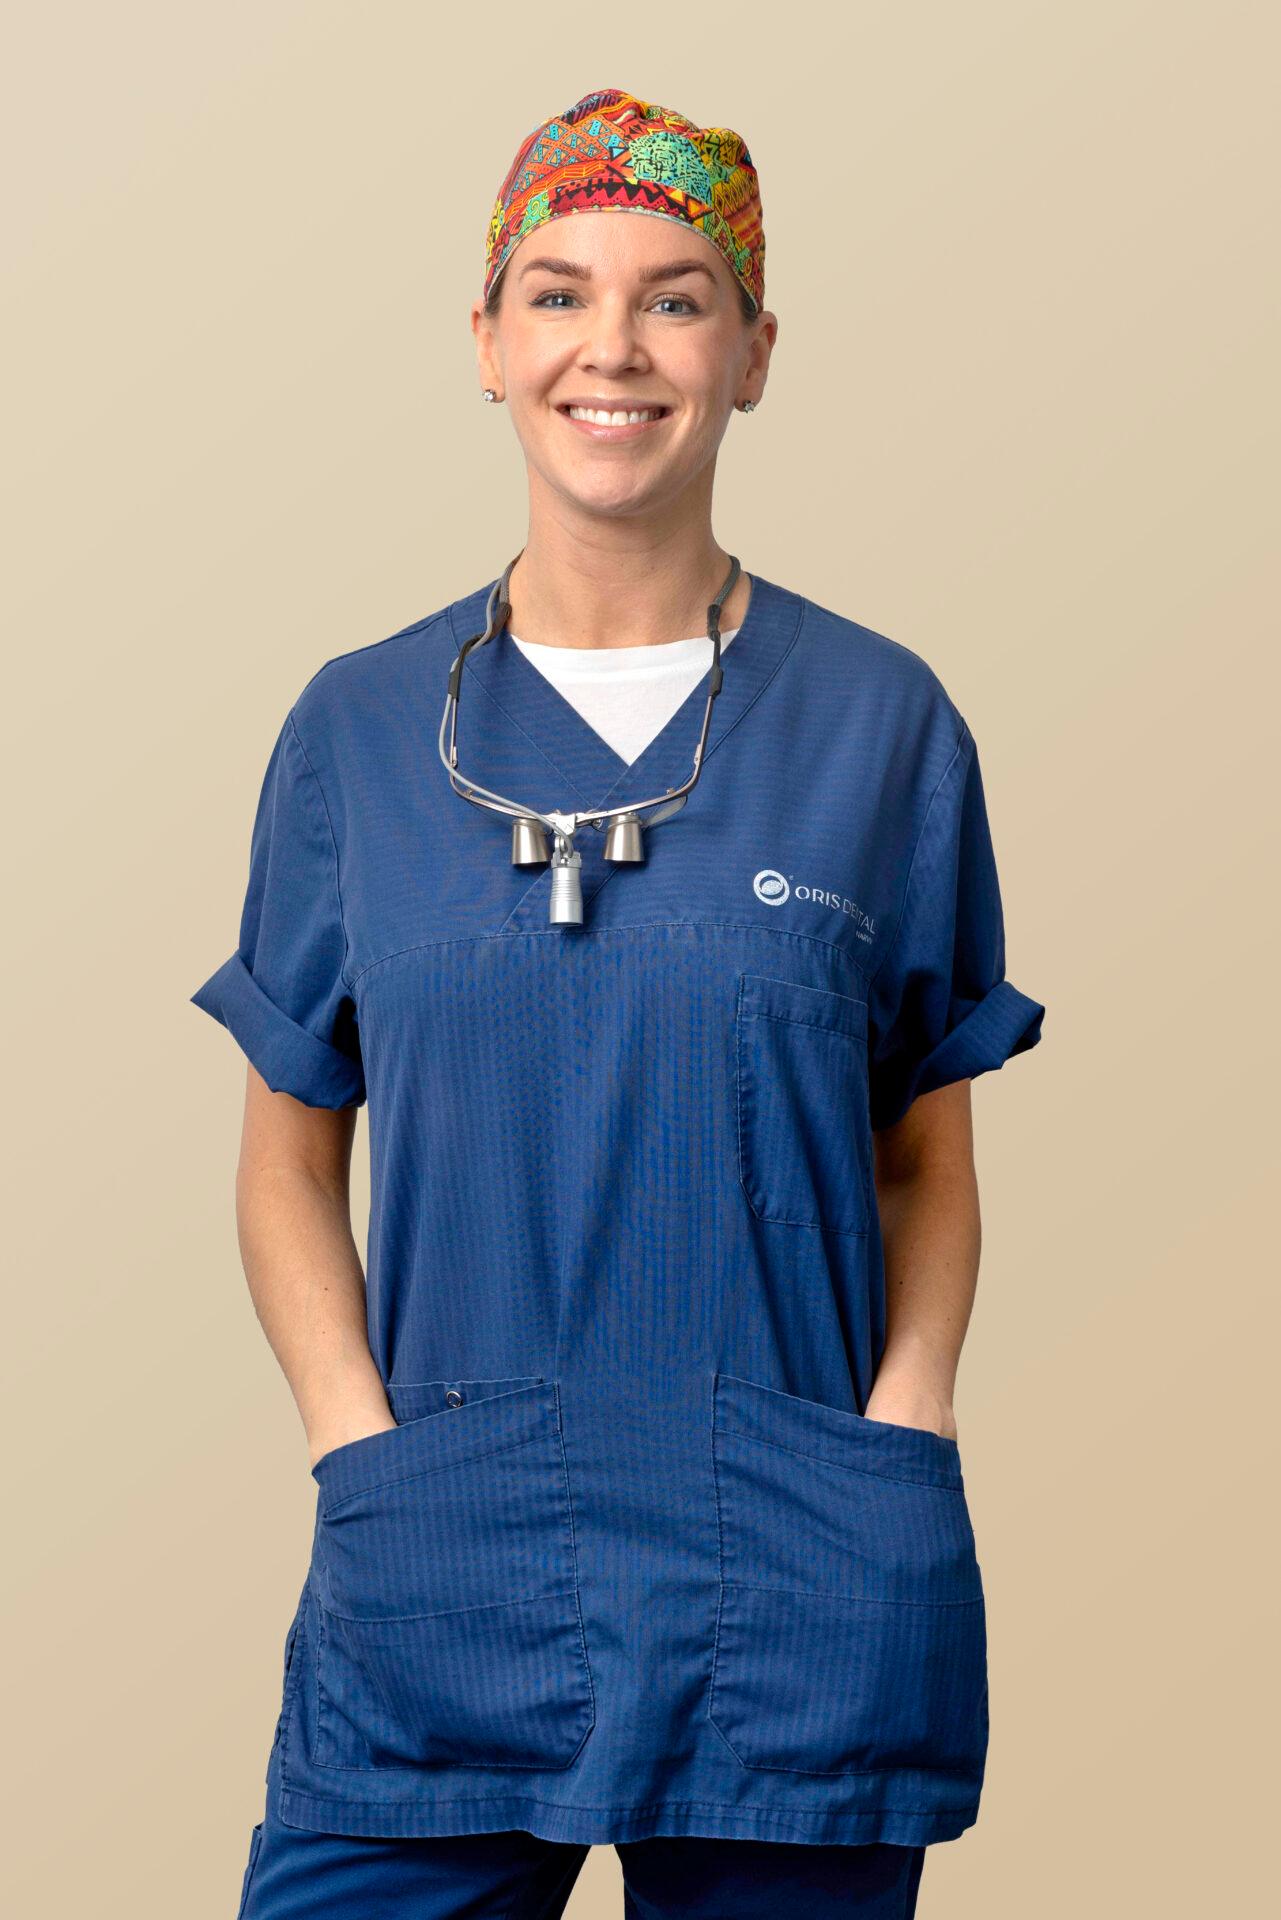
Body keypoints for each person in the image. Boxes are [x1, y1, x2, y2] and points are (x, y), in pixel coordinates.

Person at [192, 87, 1045, 1920]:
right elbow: (283, 1161)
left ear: (752, 353)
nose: (615, 346)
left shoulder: (878, 725)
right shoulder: (358, 731)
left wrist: (909, 1419)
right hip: (446, 1548)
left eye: (675, 297)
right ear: (487, 340)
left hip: (792, 1556)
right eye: (559, 292)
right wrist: (354, 1445)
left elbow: (925, 1158)